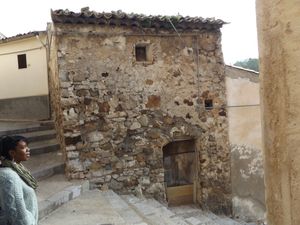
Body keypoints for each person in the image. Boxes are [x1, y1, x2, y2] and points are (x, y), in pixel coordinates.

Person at [0, 135, 38, 225]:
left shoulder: (17, 169)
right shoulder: (9, 177)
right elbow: (16, 215)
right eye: (23, 147)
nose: (28, 149)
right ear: (12, 153)